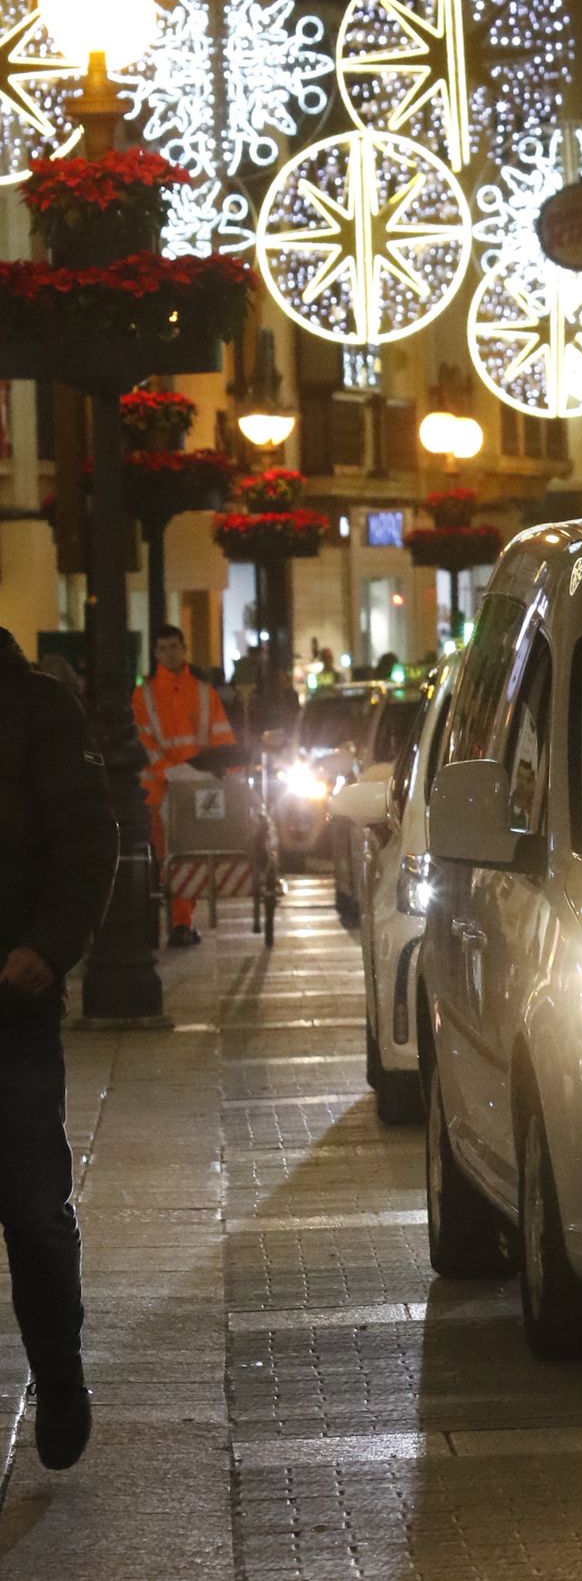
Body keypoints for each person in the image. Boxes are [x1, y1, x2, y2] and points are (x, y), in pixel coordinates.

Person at [0, 627, 119, 1472]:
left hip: (10, 1005)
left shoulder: (35, 707)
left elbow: (86, 839)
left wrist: (47, 944)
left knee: (34, 1213)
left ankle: (60, 1375)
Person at [132, 624, 236, 947]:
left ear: (184, 649)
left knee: (187, 854)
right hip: (161, 789)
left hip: (194, 786)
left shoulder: (204, 693)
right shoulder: (144, 695)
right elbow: (143, 742)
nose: (169, 653)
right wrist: (172, 771)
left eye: (174, 647)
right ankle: (169, 921)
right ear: (155, 653)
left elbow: (221, 738)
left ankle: (181, 922)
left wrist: (223, 771)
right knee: (166, 857)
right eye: (163, 648)